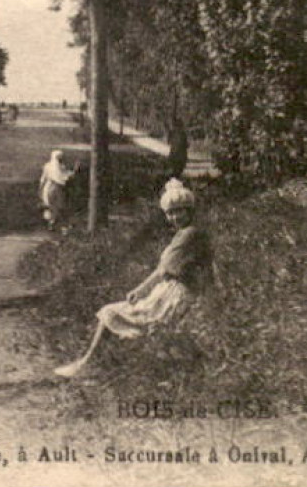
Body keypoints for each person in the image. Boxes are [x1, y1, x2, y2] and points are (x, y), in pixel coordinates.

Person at [54, 180, 212, 378]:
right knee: (114, 313)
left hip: (178, 295)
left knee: (111, 313)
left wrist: (143, 290)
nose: (174, 217)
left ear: (190, 211)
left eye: (180, 211)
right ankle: (98, 363)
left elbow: (165, 271)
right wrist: (140, 290)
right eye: (170, 213)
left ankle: (91, 363)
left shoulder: (190, 235)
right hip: (170, 291)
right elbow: (163, 270)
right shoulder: (184, 235)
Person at [38, 149, 76, 230]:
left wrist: (40, 189)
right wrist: (72, 174)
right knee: (60, 206)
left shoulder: (47, 166)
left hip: (48, 188)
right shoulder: (60, 167)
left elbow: (43, 179)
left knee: (52, 207)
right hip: (57, 188)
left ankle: (52, 223)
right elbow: (64, 177)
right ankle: (63, 225)